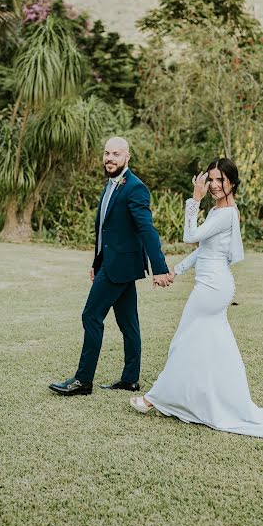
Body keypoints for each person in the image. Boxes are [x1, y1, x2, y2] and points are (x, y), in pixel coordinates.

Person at [130, 158, 263, 446]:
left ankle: (154, 398)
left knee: (184, 341)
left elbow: (190, 236)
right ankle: (213, 400)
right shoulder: (219, 211)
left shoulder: (226, 214)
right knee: (212, 346)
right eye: (209, 180)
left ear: (232, 183)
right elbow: (205, 249)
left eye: (219, 180)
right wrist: (177, 270)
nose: (213, 185)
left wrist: (194, 200)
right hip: (212, 284)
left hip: (212, 288)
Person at [49, 136, 173, 397]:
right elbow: (106, 231)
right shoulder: (110, 185)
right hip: (115, 264)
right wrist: (97, 262)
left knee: (91, 316)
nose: (110, 158)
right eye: (107, 153)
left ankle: (83, 381)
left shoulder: (135, 188)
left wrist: (159, 267)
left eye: (116, 154)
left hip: (119, 267)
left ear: (127, 157)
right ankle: (130, 380)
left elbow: (146, 228)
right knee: (129, 323)